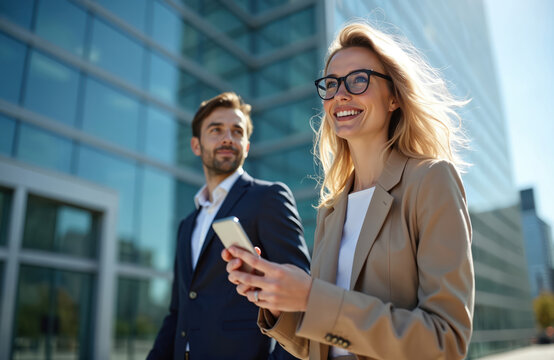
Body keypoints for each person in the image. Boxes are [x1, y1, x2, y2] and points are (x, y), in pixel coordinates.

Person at [223, 22, 475, 360]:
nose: (340, 94)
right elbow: (322, 344)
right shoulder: (331, 210)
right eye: (331, 84)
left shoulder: (430, 181)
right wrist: (278, 299)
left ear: (394, 98)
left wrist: (312, 297)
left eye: (359, 80)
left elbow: (445, 342)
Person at [147, 92, 311, 360]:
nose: (227, 138)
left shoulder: (269, 197)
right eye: (216, 130)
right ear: (196, 145)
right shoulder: (187, 224)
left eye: (237, 131)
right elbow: (179, 310)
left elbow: (297, 296)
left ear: (246, 146)